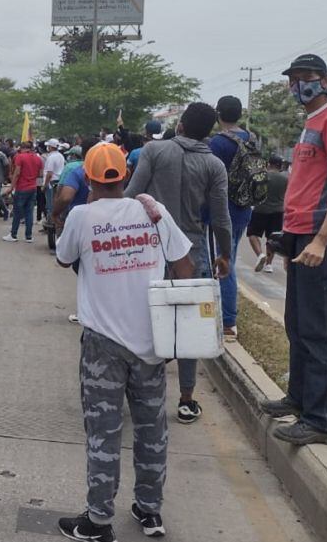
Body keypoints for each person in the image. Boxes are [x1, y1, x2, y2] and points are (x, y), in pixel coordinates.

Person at [54, 143, 194, 542]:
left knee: (104, 431)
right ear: (126, 175)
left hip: (103, 344)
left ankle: (98, 521)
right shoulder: (152, 211)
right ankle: (149, 510)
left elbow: (63, 258)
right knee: (152, 429)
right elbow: (184, 265)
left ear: (89, 178)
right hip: (151, 340)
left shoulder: (81, 216)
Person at [259, 54, 327, 446]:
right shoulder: (311, 123)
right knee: (299, 325)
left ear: (325, 81)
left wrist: (320, 239)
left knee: (323, 333)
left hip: (323, 240)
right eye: (293, 79)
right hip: (301, 237)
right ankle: (299, 399)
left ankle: (322, 421)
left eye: (306, 77)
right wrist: (291, 241)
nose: (298, 85)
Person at [125, 102, 231, 424]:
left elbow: (132, 194)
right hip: (191, 248)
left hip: (151, 245)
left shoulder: (154, 151)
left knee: (143, 314)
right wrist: (225, 254)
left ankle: (139, 386)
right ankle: (186, 399)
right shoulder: (214, 165)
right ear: (209, 133)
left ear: (180, 125)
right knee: (187, 324)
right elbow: (221, 217)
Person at [208, 96, 253, 340]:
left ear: (218, 115)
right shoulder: (251, 138)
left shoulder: (218, 143)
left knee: (224, 263)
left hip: (223, 209)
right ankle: (227, 316)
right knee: (229, 259)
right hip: (244, 206)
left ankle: (228, 321)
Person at [248, 156, 288, 274]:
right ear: (280, 166)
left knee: (252, 234)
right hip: (278, 212)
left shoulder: (262, 176)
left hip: (260, 210)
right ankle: (269, 265)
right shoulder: (285, 179)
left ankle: (260, 254)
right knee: (272, 238)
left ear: (269, 164)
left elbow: (253, 191)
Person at [3, 141, 43, 243]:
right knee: (29, 212)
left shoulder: (20, 157)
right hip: (33, 187)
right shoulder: (38, 158)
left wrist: (11, 187)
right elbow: (40, 174)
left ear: (22, 148)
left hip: (22, 187)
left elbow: (17, 173)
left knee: (17, 212)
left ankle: (13, 234)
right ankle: (28, 236)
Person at [42, 138, 65, 220]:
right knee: (57, 203)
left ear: (50, 147)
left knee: (50, 203)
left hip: (51, 182)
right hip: (59, 181)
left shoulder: (51, 157)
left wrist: (44, 185)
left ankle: (51, 222)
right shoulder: (60, 156)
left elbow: (49, 173)